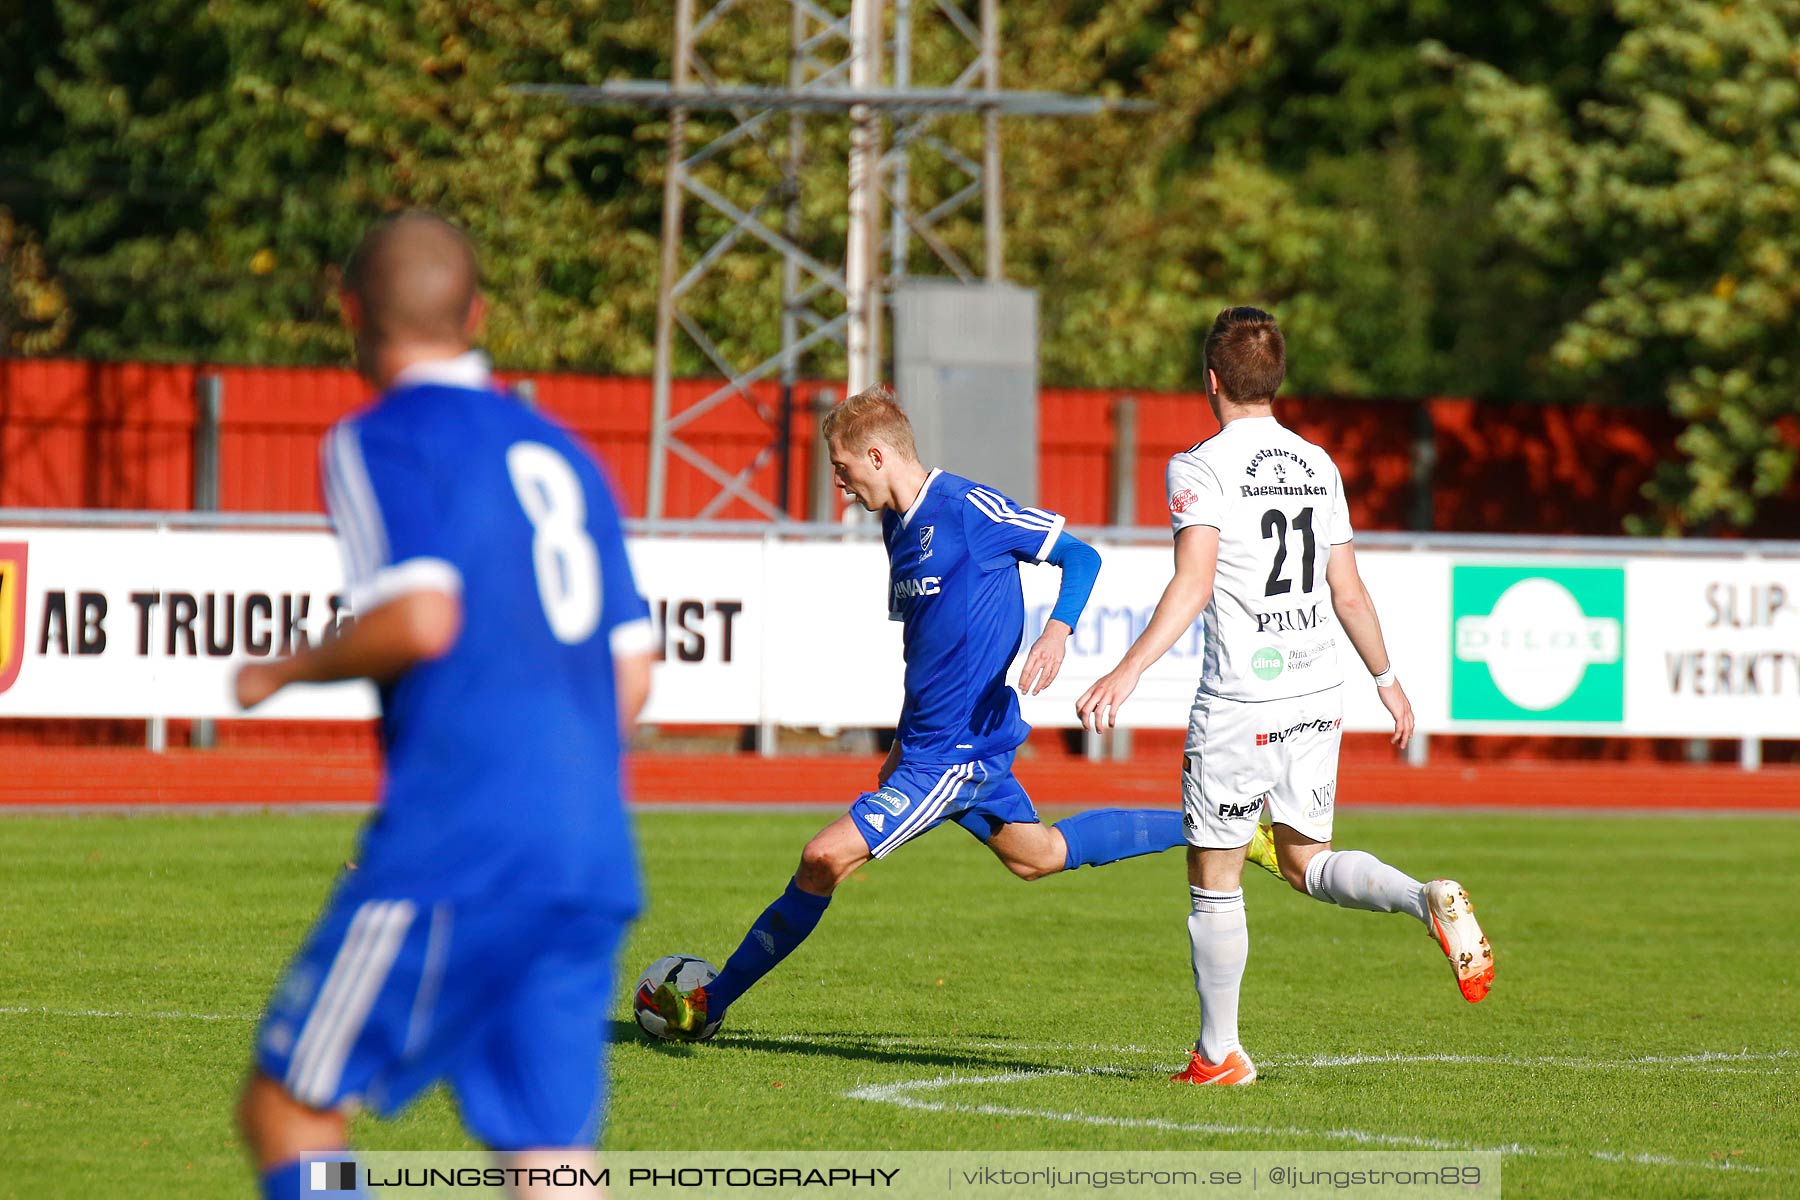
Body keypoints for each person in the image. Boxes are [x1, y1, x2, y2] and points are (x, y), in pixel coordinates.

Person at [232, 212, 653, 1198]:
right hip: (590, 846)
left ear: (349, 315)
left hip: (463, 843)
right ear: (478, 315)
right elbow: (632, 677)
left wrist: (283, 671)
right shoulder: (564, 453)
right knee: (550, 1158)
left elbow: (421, 616)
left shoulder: (379, 437)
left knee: (292, 1108)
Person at [650, 385, 1207, 1037]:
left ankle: (708, 1005)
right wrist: (896, 748)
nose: (839, 484)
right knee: (1041, 856)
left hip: (954, 754)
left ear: (878, 456)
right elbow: (927, 651)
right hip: (932, 746)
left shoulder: (969, 509)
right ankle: (1218, 828)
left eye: (842, 467)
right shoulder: (897, 527)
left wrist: (1057, 630)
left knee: (822, 858)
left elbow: (1079, 556)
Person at [1076, 306, 1494, 1088]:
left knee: (1215, 879)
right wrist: (1387, 681)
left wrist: (1127, 669)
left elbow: (1194, 581)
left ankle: (1219, 1053)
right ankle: (1423, 897)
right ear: (1277, 380)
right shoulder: (1317, 463)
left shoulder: (1199, 466)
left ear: (1211, 381)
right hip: (1317, 689)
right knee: (1305, 862)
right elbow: (1349, 590)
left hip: (1242, 698)